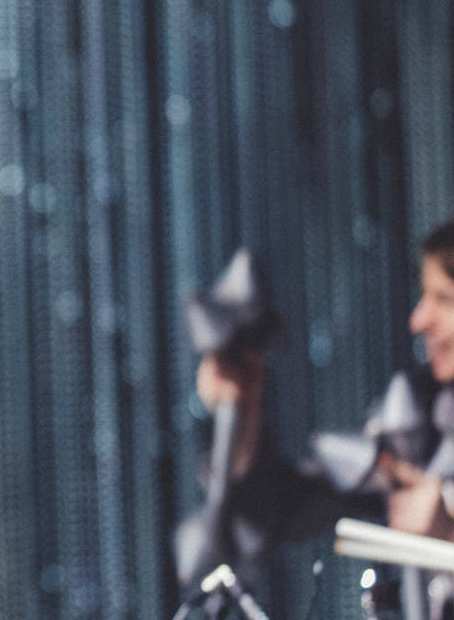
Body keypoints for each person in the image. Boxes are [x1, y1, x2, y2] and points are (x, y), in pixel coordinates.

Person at [176, 220, 454, 589]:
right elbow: (281, 513)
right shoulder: (418, 414)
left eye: (444, 299)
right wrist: (245, 411)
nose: (419, 320)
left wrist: (447, 536)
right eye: (423, 297)